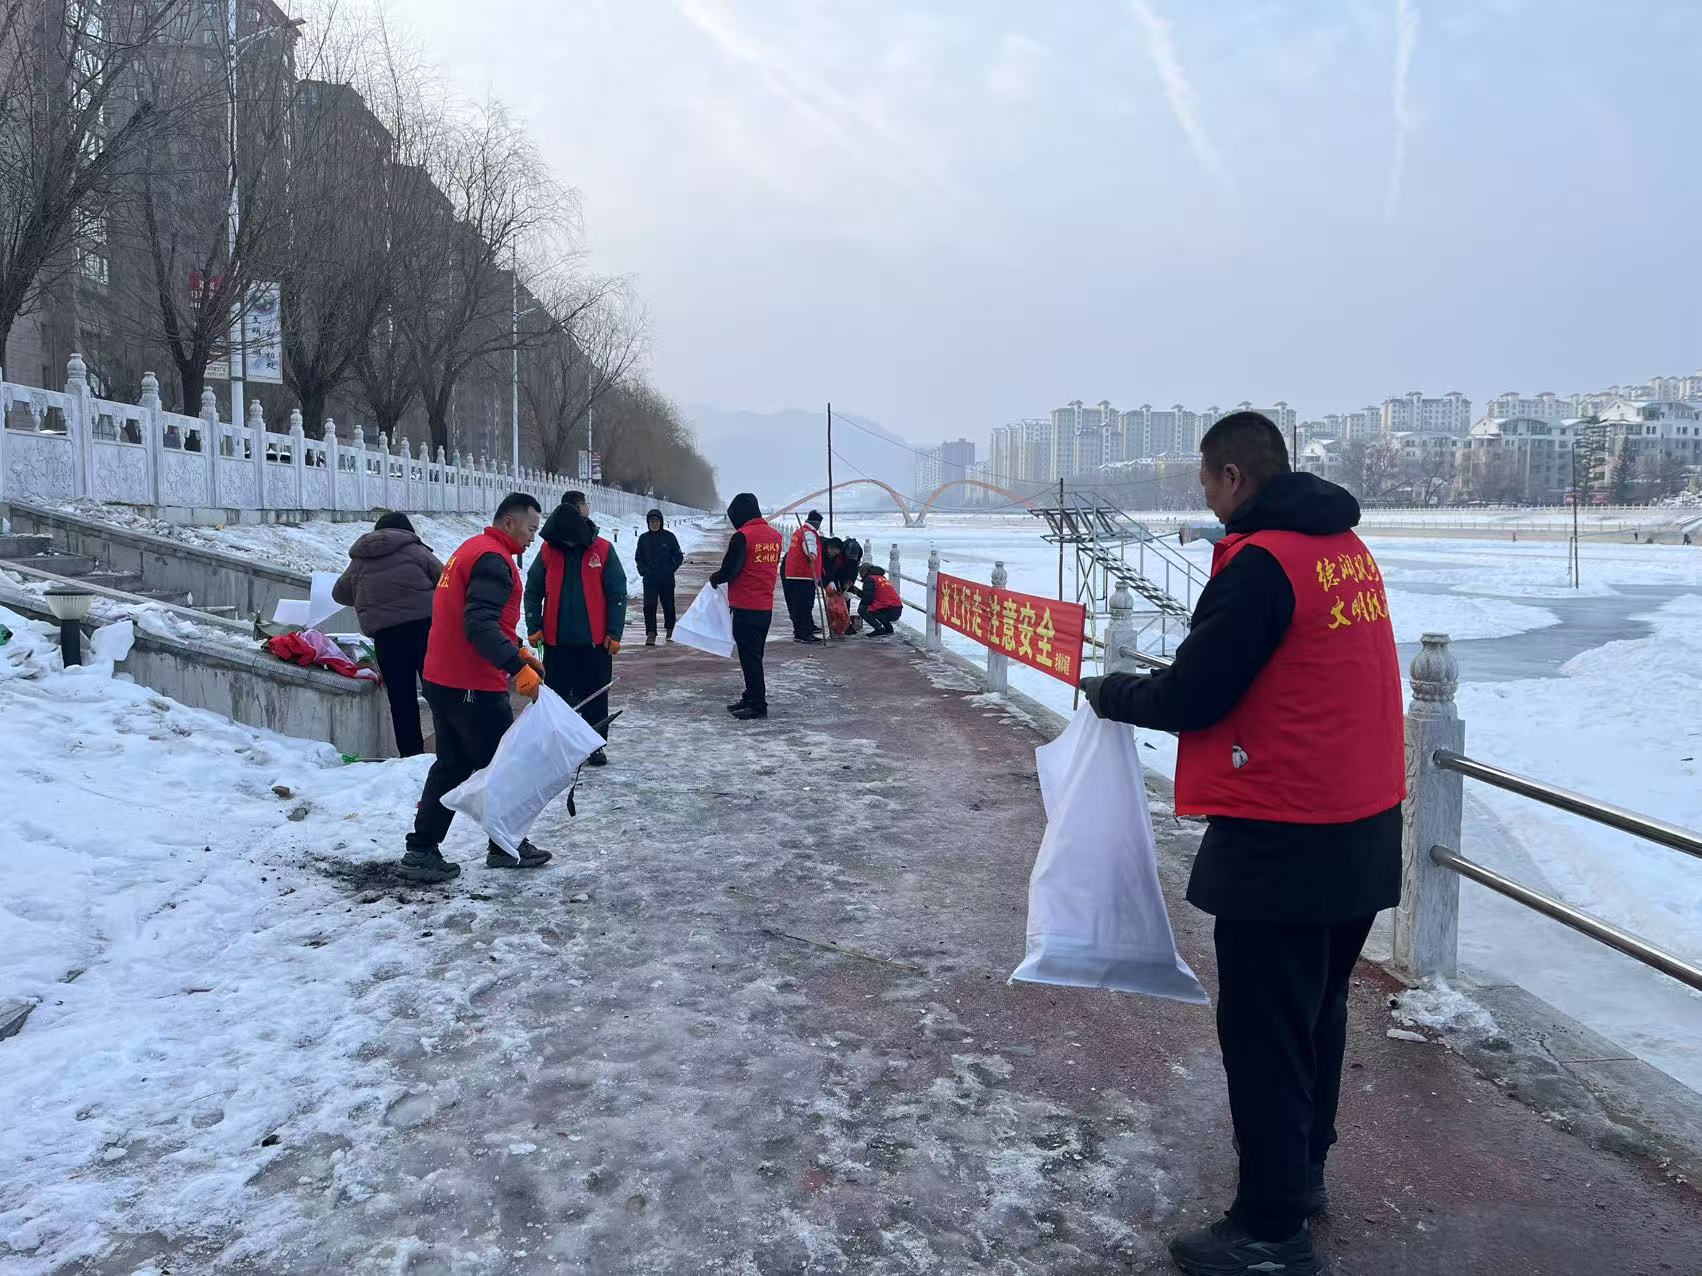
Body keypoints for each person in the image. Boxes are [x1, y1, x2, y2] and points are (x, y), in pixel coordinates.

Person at [1078, 412, 1403, 1276]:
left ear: (1233, 478)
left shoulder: (1263, 563)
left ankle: (1270, 1230)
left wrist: (1110, 692)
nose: (1205, 498)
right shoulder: (1344, 552)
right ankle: (1301, 1177)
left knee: (1264, 1031)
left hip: (1286, 834)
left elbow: (1198, 693)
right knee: (1317, 1015)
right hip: (1363, 825)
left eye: (1206, 482)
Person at [399, 493, 550, 884]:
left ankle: (421, 850)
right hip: (471, 684)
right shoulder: (494, 561)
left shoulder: (472, 549)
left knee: (453, 764)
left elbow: (483, 620)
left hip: (443, 677)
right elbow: (479, 625)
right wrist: (516, 666)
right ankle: (507, 846)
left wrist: (517, 648)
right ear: (509, 523)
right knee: (502, 766)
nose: (533, 538)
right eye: (531, 529)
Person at [524, 498, 627, 767]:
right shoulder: (548, 551)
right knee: (556, 698)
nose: (566, 546)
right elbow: (533, 589)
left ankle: (595, 745)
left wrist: (614, 632)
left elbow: (617, 593)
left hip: (595, 643)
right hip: (556, 642)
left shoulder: (602, 551)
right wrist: (534, 625)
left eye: (570, 542)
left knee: (596, 696)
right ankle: (559, 746)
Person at [331, 511, 442, 757]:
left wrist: (369, 594)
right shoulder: (416, 551)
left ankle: (411, 757)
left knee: (401, 701)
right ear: (407, 531)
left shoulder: (360, 560)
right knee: (438, 694)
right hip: (424, 631)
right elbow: (445, 580)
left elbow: (339, 594)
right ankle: (448, 751)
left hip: (386, 638)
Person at [709, 492, 781, 720]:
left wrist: (716, 578)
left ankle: (758, 704)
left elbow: (731, 569)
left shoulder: (743, 536)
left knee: (749, 658)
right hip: (765, 606)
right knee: (755, 655)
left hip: (745, 606)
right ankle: (750, 695)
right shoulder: (775, 536)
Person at [634, 508, 684, 645]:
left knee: (668, 605)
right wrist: (643, 570)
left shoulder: (669, 537)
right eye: (651, 521)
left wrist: (669, 569)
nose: (654, 524)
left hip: (666, 579)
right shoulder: (644, 538)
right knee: (649, 606)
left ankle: (670, 629)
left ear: (661, 522)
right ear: (648, 523)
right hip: (650, 579)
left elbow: (678, 556)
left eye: (656, 521)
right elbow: (638, 557)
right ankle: (651, 633)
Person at [782, 509, 824, 643]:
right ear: (817, 523)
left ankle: (801, 630)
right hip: (803, 576)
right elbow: (810, 545)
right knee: (804, 606)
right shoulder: (809, 533)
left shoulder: (799, 531)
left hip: (794, 574)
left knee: (799, 605)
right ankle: (803, 633)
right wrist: (812, 554)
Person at [857, 563, 903, 636]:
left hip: (889, 610)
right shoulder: (881, 577)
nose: (860, 575)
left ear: (864, 571)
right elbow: (871, 595)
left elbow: (867, 599)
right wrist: (856, 591)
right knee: (874, 605)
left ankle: (879, 629)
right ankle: (888, 628)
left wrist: (856, 592)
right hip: (897, 608)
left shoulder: (870, 579)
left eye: (860, 572)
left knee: (863, 609)